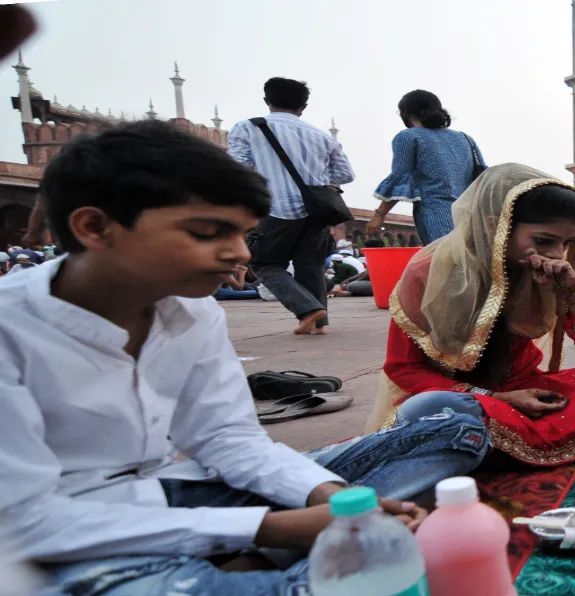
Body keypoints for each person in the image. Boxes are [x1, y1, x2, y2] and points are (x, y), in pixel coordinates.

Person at [3, 121, 488, 594]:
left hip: (184, 490)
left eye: (242, 234)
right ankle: (266, 567)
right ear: (95, 227)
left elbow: (228, 441)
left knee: (455, 427)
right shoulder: (12, 330)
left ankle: (274, 565)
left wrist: (337, 505)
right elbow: (26, 522)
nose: (239, 253)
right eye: (209, 232)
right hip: (67, 536)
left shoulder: (193, 313)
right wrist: (271, 529)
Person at [366, 164, 575, 465]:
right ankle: (524, 443)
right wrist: (494, 398)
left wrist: (573, 293)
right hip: (466, 400)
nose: (557, 254)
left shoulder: (561, 274)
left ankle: (506, 449)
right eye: (544, 240)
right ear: (496, 225)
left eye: (567, 243)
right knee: (429, 409)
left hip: (530, 392)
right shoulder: (431, 274)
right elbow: (403, 368)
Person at [228, 77, 354, 336]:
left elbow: (236, 167)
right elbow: (345, 173)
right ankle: (318, 324)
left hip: (276, 207)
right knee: (310, 265)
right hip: (317, 211)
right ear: (303, 106)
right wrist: (319, 183)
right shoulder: (320, 135)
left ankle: (308, 310)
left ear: (267, 100)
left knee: (264, 263)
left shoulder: (248, 128)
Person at [369, 90, 485, 244]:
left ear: (406, 113)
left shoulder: (408, 137)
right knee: (469, 264)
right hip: (470, 217)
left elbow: (400, 177)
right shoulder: (465, 139)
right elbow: (482, 178)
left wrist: (379, 215)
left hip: (436, 216)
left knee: (445, 264)